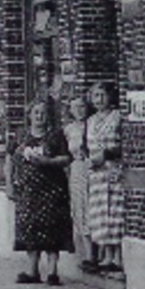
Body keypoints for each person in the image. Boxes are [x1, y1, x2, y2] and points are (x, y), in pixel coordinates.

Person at [7, 99, 73, 286]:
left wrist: (48, 162)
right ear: (29, 115)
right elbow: (9, 160)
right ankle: (32, 270)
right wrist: (10, 184)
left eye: (43, 113)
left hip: (52, 189)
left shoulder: (55, 136)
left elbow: (66, 158)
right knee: (30, 228)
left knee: (53, 227)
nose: (39, 116)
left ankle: (52, 272)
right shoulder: (21, 136)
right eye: (36, 113)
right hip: (28, 190)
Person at [86, 82, 126, 276]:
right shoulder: (91, 121)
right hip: (97, 173)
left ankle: (118, 256)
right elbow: (88, 146)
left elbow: (125, 145)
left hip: (113, 169)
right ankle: (107, 255)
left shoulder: (117, 116)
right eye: (95, 96)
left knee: (115, 212)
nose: (99, 100)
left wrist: (108, 154)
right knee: (101, 214)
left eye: (102, 95)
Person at [63, 92, 97, 274]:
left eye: (82, 106)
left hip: (92, 167)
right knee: (80, 209)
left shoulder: (94, 124)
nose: (79, 111)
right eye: (75, 107)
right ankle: (86, 254)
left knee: (94, 208)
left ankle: (97, 254)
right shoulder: (69, 130)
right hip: (76, 170)